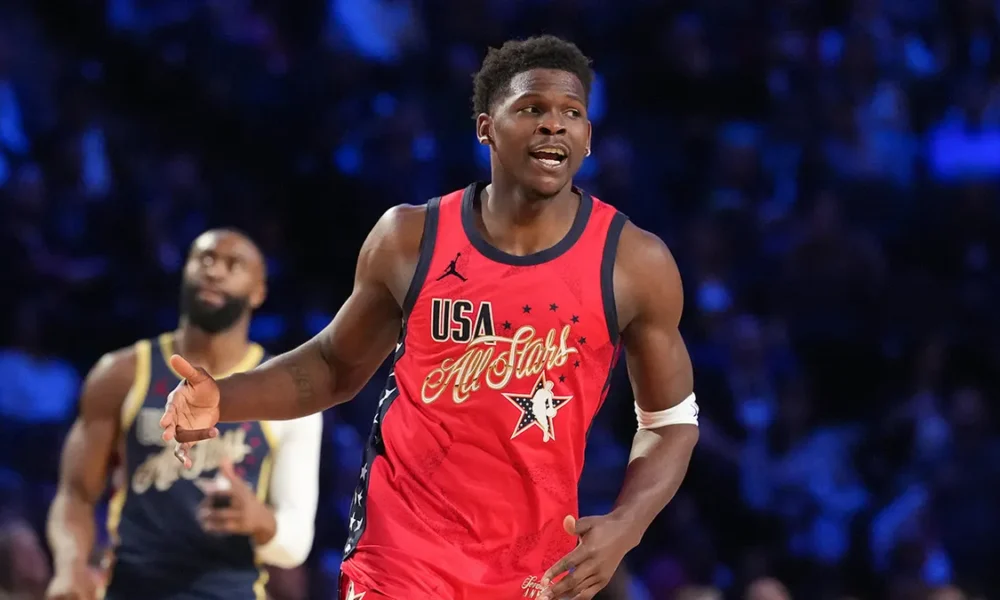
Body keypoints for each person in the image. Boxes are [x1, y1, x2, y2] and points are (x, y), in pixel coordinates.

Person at [162, 36, 699, 600]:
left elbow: (670, 422)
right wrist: (224, 398)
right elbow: (332, 366)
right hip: (399, 560)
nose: (553, 126)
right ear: (486, 128)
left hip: (534, 573)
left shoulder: (635, 262)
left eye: (572, 114)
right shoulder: (411, 238)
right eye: (532, 109)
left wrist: (625, 527)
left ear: (588, 138)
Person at [46, 229, 323, 600]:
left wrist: (258, 519)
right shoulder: (122, 373)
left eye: (233, 264)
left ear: (259, 292)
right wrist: (70, 568)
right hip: (130, 587)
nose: (215, 271)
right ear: (185, 270)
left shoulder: (285, 394)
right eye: (204, 259)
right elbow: (76, 495)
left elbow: (296, 543)